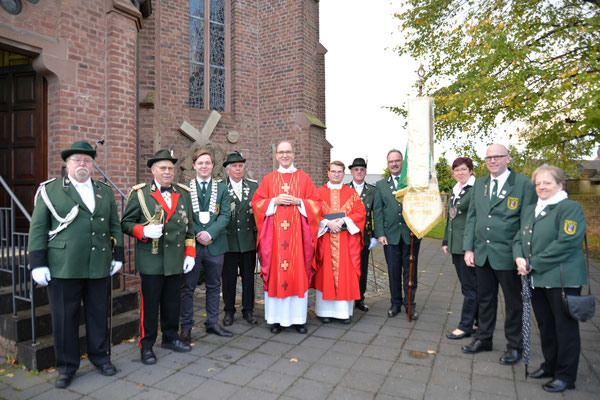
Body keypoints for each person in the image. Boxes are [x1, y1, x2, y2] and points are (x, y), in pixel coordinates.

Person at [28, 141, 124, 388]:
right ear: (67, 164)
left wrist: (118, 256)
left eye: (87, 160)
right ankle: (67, 367)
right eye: (77, 160)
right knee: (64, 318)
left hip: (98, 265)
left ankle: (101, 358)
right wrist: (37, 263)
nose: (82, 164)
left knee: (97, 315)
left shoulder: (104, 190)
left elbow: (114, 224)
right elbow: (38, 228)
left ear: (92, 165)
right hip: (64, 265)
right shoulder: (51, 190)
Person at [514, 164, 587, 393]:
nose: (542, 187)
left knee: (564, 327)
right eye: (538, 183)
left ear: (560, 185)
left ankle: (566, 375)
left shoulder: (569, 208)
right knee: (545, 325)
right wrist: (519, 258)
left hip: (561, 280)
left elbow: (567, 242)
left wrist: (533, 263)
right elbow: (518, 238)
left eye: (547, 182)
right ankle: (550, 365)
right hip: (536, 279)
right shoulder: (531, 209)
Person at [462, 144, 536, 365]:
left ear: (508, 159)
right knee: (485, 299)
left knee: (513, 303)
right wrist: (469, 248)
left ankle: (515, 345)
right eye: (488, 158)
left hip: (508, 255)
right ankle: (484, 338)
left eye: (497, 157)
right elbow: (472, 217)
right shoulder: (481, 184)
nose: (492, 161)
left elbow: (527, 222)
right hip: (483, 253)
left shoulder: (522, 184)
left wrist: (522, 253)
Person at [121, 149, 195, 365]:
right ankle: (146, 346)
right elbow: (125, 223)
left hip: (175, 259)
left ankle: (170, 338)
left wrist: (189, 253)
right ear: (153, 170)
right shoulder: (140, 193)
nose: (167, 172)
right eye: (162, 168)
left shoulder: (183, 193)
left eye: (170, 168)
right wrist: (143, 231)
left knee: (173, 303)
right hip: (152, 260)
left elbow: (189, 228)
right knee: (150, 305)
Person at [251, 140, 321, 334]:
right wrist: (274, 201)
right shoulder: (269, 179)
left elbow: (317, 205)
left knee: (298, 275)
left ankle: (298, 320)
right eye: (281, 152)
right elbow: (256, 203)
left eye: (288, 152)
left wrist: (299, 201)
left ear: (293, 155)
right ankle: (276, 320)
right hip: (275, 241)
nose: (284, 155)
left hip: (297, 241)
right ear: (276, 156)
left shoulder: (304, 178)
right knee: (276, 275)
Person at [180, 149, 232, 340]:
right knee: (187, 287)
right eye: (200, 163)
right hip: (192, 246)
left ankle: (212, 323)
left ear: (212, 166)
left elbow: (225, 215)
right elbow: (184, 217)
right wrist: (197, 235)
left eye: (207, 163)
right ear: (194, 165)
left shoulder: (222, 188)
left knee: (214, 285)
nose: (204, 166)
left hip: (215, 244)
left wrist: (210, 233)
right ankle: (185, 326)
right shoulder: (184, 188)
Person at [314, 161, 366, 323]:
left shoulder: (352, 194)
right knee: (325, 274)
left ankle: (343, 313)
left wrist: (343, 221)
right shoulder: (318, 193)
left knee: (345, 274)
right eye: (333, 171)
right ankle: (324, 312)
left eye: (339, 171)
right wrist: (326, 223)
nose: (336, 174)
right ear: (328, 173)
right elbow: (312, 214)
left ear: (344, 174)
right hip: (325, 241)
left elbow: (361, 213)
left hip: (345, 242)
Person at [373, 149, 421, 320]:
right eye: (390, 161)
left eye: (397, 161)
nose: (394, 164)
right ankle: (395, 303)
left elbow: (422, 207)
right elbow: (378, 211)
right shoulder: (381, 185)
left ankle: (410, 305)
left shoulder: (413, 183)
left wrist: (420, 227)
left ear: (402, 162)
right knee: (393, 271)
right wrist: (380, 233)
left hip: (411, 235)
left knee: (410, 272)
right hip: (390, 236)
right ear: (387, 164)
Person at [442, 157, 478, 340]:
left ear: (471, 170)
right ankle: (477, 321)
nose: (460, 173)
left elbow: (476, 220)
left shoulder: (476, 190)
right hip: (456, 245)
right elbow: (451, 218)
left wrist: (469, 247)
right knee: (469, 285)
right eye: (456, 170)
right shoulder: (456, 189)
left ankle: (466, 326)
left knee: (470, 288)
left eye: (463, 169)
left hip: (467, 246)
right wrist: (445, 240)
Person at [221, 151, 259, 327]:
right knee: (228, 279)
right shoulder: (220, 187)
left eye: (240, 166)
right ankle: (229, 310)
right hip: (228, 241)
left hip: (247, 240)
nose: (238, 169)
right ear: (228, 169)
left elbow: (260, 209)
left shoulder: (253, 186)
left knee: (248, 278)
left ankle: (248, 310)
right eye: (234, 166)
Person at [346, 157, 378, 311]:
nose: (359, 172)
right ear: (351, 172)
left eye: (362, 169)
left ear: (365, 172)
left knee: (362, 269)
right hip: (346, 236)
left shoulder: (372, 191)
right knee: (347, 268)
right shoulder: (344, 189)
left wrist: (375, 236)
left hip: (364, 235)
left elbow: (377, 214)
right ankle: (346, 298)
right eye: (356, 169)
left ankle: (359, 299)